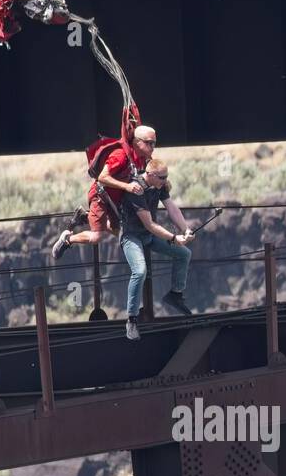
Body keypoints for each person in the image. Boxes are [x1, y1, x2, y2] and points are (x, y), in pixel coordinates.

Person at [51, 124, 156, 258]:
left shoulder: (143, 158)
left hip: (115, 199)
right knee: (96, 237)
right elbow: (102, 177)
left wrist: (163, 181)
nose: (153, 147)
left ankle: (86, 217)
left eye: (154, 143)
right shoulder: (120, 156)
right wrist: (127, 187)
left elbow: (154, 172)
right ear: (137, 142)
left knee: (119, 231)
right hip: (100, 196)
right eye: (150, 143)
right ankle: (67, 239)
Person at [120, 157, 194, 340]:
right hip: (132, 236)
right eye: (162, 177)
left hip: (149, 236)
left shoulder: (159, 186)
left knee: (184, 254)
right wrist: (173, 238)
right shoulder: (136, 188)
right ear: (150, 175)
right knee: (140, 271)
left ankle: (175, 294)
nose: (165, 180)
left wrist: (186, 229)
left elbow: (172, 209)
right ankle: (131, 320)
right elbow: (150, 225)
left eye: (167, 176)